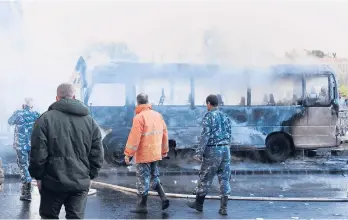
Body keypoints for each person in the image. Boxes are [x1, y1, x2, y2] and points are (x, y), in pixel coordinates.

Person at [28, 83, 104, 219]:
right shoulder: (90, 121)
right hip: (80, 181)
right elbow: (97, 153)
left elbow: (38, 152)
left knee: (49, 217)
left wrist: (38, 176)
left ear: (57, 98)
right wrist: (90, 175)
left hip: (52, 182)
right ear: (74, 97)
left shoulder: (45, 119)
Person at [187, 94, 232, 216]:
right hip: (225, 150)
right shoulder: (225, 116)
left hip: (213, 150)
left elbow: (205, 135)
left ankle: (199, 204)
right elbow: (229, 133)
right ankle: (223, 208)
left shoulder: (209, 116)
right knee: (224, 178)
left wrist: (199, 153)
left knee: (206, 176)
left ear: (208, 103)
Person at [124, 93, 170, 213]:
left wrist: (128, 154)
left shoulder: (139, 117)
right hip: (155, 153)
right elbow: (165, 134)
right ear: (148, 101)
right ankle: (163, 197)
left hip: (144, 154)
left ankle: (142, 207)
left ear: (137, 103)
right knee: (154, 176)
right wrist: (164, 151)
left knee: (142, 179)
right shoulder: (158, 115)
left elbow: (134, 138)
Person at [8, 97, 40, 201]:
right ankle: (29, 184)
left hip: (21, 144)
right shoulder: (36, 114)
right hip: (33, 145)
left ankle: (27, 188)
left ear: (23, 105)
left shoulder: (18, 113)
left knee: (23, 165)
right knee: (30, 165)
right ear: (32, 105)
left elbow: (10, 122)